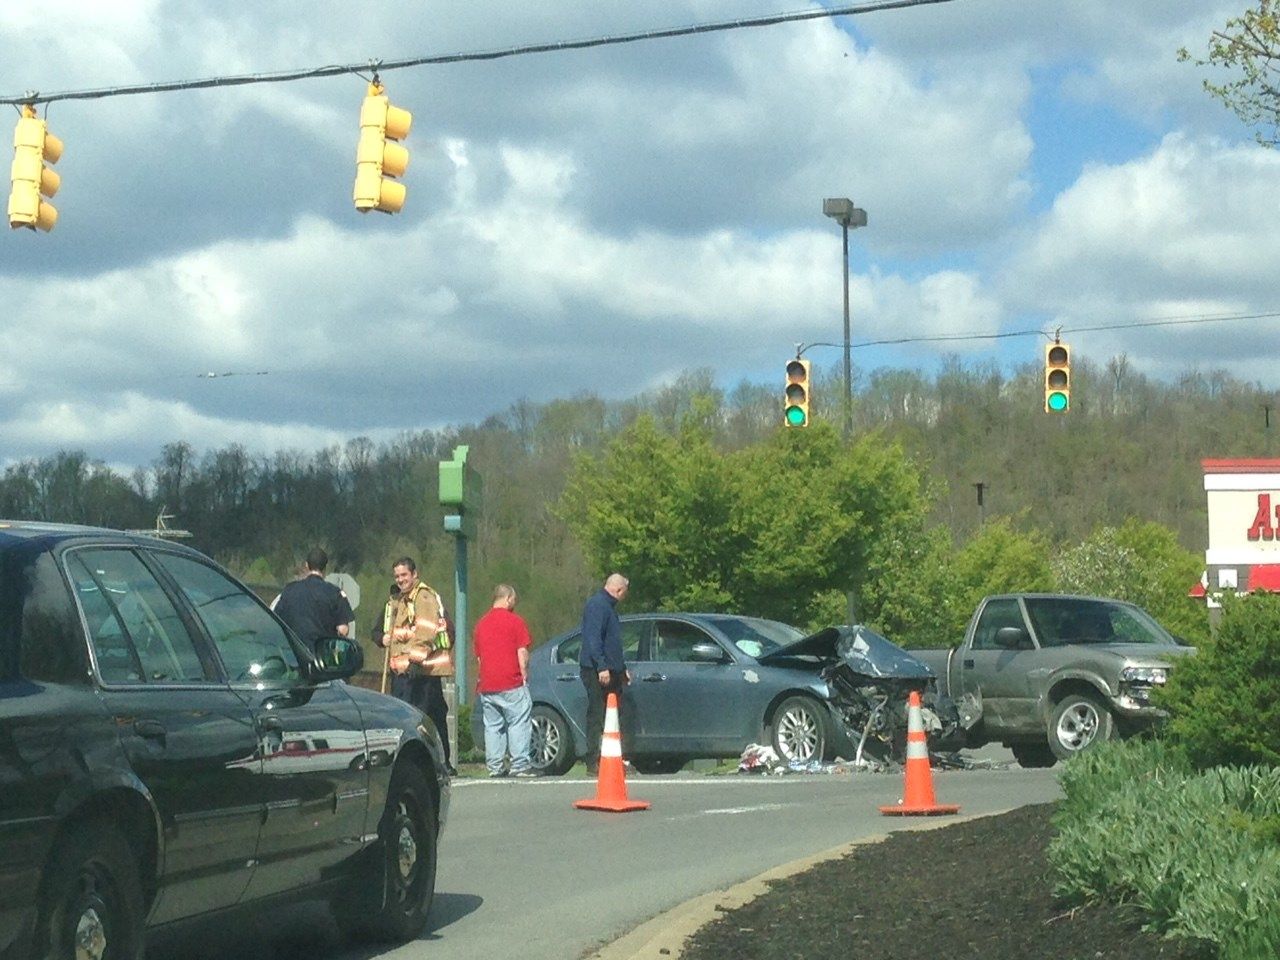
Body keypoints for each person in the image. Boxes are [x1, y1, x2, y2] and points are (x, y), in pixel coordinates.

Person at [379, 557, 456, 775]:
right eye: (397, 576)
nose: (400, 579)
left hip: (423, 672)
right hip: (404, 673)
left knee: (428, 718)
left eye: (404, 575)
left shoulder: (423, 597)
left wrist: (415, 660)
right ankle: (421, 764)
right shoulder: (401, 600)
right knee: (412, 719)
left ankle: (440, 763)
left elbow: (426, 631)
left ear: (414, 574)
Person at [473, 584, 536, 778]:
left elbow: (479, 658)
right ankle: (520, 764)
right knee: (518, 721)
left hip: (487, 684)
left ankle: (495, 767)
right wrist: (524, 674)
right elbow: (522, 653)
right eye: (514, 600)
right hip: (511, 681)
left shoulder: (481, 624)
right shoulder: (516, 622)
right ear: (508, 598)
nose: (514, 604)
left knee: (493, 726)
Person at [578, 572, 631, 776]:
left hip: (612, 669)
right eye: (624, 593)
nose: (624, 597)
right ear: (619, 589)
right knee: (597, 714)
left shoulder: (609, 608)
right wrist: (601, 666)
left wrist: (621, 668)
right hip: (596, 671)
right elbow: (594, 639)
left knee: (615, 716)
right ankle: (593, 760)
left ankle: (615, 758)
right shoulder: (597, 605)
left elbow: (613, 644)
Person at [271, 547, 353, 657]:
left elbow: (276, 621)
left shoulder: (289, 590)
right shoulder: (335, 593)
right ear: (325, 568)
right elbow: (343, 630)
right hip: (321, 659)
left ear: (306, 565)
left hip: (293, 658)